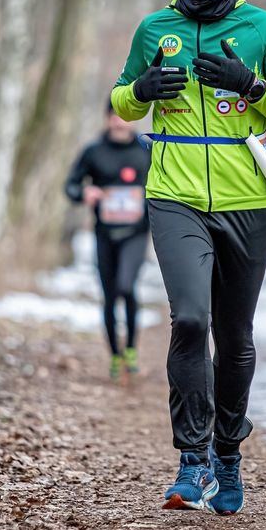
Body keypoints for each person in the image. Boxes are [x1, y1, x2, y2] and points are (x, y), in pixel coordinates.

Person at [111, 0, 266, 514]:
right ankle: (191, 459)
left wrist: (251, 85)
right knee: (191, 321)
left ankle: (229, 453)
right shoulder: (154, 28)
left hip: (247, 201)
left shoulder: (263, 28)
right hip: (173, 196)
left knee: (236, 337)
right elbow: (121, 102)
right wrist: (142, 89)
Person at [64, 99, 150, 380]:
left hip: (136, 233)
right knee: (110, 295)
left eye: (125, 115)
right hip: (104, 233)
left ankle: (132, 348)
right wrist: (84, 194)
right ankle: (115, 354)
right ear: (107, 118)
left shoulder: (147, 148)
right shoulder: (93, 151)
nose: (119, 120)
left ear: (135, 118)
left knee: (127, 285)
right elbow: (71, 185)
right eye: (114, 115)